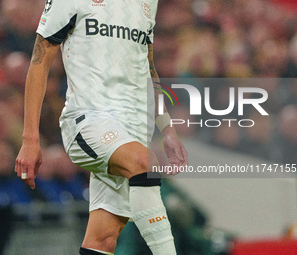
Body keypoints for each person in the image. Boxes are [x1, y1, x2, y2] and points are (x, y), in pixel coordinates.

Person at [15, 0, 188, 254]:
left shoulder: (148, 2)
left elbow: (148, 68)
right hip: (87, 121)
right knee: (145, 163)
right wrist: (30, 139)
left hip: (131, 131)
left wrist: (167, 129)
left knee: (103, 239)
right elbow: (39, 62)